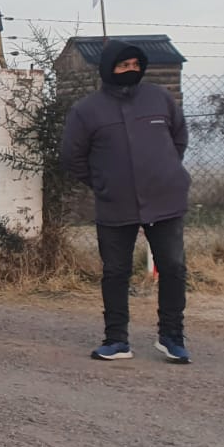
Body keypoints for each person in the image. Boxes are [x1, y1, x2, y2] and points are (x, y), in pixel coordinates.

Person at [61, 40, 192, 364]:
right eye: (123, 66)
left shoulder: (160, 98)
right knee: (116, 272)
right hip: (115, 205)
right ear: (109, 70)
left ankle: (171, 337)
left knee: (173, 268)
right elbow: (72, 157)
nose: (130, 70)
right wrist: (103, 183)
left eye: (135, 65)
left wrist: (165, 170)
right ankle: (116, 340)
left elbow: (179, 138)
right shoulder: (86, 110)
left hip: (165, 200)